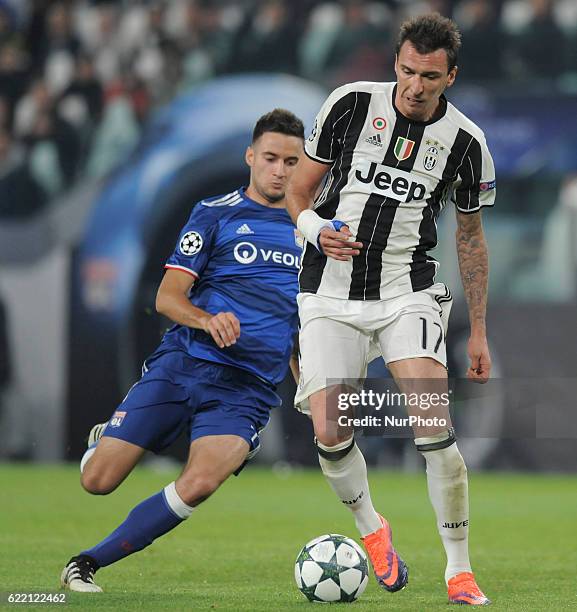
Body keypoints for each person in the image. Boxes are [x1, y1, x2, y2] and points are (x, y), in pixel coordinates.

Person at [287, 13, 494, 606]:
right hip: (329, 289)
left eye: (429, 75)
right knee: (329, 430)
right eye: (407, 70)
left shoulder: (466, 143)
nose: (415, 85)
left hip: (411, 291)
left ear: (449, 75)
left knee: (434, 428)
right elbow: (299, 189)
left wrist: (478, 330)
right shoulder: (351, 104)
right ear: (395, 64)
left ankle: (459, 569)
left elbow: (472, 240)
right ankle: (373, 530)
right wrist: (313, 227)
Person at [60, 108, 305, 593]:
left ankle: (86, 562)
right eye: (272, 158)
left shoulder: (315, 233)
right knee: (98, 481)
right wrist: (207, 318)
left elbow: (307, 322)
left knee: (200, 482)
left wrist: (311, 384)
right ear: (251, 157)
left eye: (292, 161)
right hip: (185, 365)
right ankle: (104, 438)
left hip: (247, 389)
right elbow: (166, 298)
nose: (281, 170)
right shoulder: (214, 214)